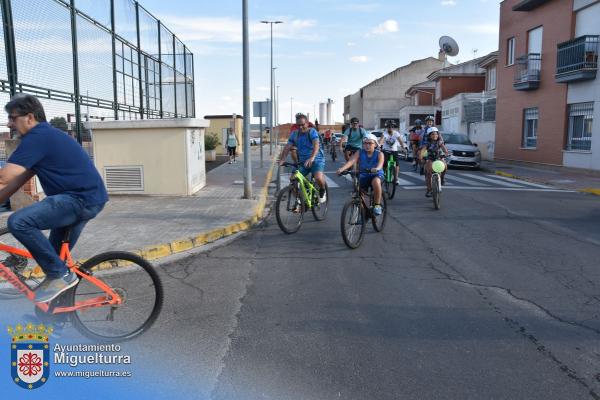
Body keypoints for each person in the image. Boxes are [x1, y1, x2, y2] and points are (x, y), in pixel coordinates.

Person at [0, 94, 108, 303]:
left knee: (19, 221)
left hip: (78, 199)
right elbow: (14, 182)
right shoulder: (44, 138)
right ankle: (57, 316)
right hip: (85, 199)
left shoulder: (38, 137)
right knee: (55, 260)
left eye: (13, 118)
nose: (9, 123)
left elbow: (5, 175)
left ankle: (61, 275)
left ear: (29, 117)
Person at [279, 113, 327, 204]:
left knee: (318, 177)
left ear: (307, 123)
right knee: (293, 179)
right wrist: (282, 159)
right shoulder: (295, 134)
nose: (300, 127)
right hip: (303, 161)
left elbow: (316, 144)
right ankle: (300, 201)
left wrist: (312, 158)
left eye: (302, 124)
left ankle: (322, 190)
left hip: (317, 159)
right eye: (298, 125)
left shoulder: (312, 131)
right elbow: (287, 147)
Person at [336, 133, 384, 216]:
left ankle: (377, 205)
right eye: (365, 143)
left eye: (370, 143)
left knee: (376, 182)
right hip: (364, 175)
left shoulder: (379, 154)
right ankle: (363, 212)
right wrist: (342, 169)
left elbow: (380, 164)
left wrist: (377, 169)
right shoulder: (360, 152)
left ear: (375, 144)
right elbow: (351, 161)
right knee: (358, 194)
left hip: (375, 175)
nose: (367, 145)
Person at [418, 127, 449, 197]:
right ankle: (429, 190)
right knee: (428, 173)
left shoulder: (440, 142)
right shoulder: (427, 143)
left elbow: (444, 149)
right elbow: (423, 150)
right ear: (429, 135)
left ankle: (442, 178)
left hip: (439, 158)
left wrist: (446, 153)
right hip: (430, 158)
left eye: (436, 134)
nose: (435, 135)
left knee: (445, 166)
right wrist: (421, 155)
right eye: (432, 134)